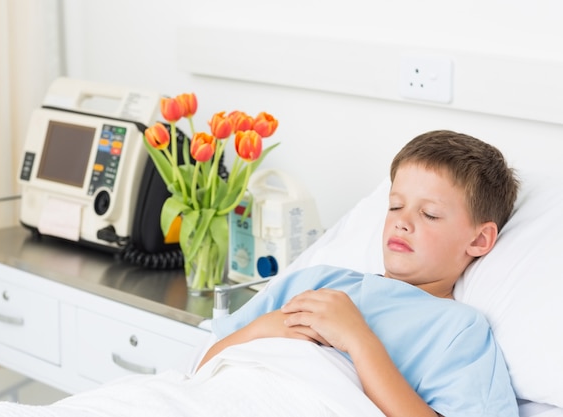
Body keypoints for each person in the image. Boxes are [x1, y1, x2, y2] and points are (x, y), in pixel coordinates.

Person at [199, 130, 520, 417]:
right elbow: (203, 368)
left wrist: (359, 339)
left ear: (478, 240)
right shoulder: (315, 281)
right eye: (395, 206)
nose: (402, 221)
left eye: (429, 214)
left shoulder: (459, 330)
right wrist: (267, 326)